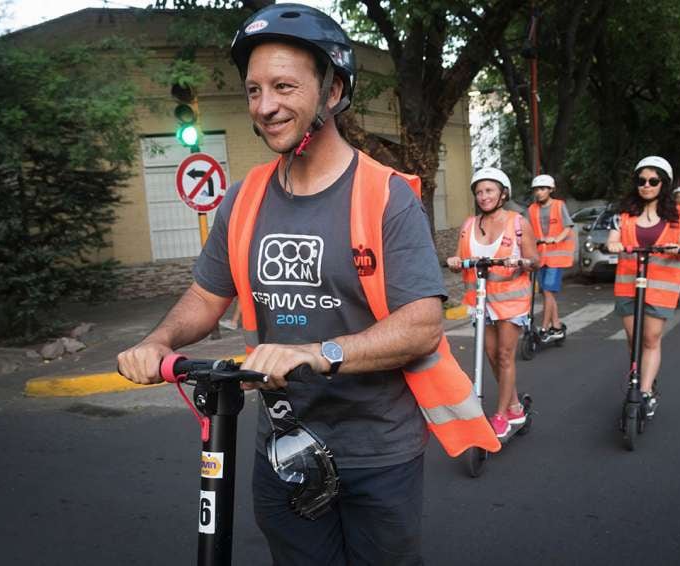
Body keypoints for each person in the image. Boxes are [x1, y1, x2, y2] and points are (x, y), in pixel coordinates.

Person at [117, 5, 498, 564]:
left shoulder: (386, 197)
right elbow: (204, 295)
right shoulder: (243, 200)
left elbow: (421, 326)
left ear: (333, 89)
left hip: (377, 452)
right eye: (253, 90)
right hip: (284, 447)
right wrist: (159, 342)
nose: (264, 106)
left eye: (283, 86)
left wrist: (317, 354)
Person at [447, 168, 539, 437]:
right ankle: (513, 405)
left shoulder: (518, 223)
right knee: (489, 355)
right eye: (479, 191)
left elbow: (535, 261)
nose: (483, 196)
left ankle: (500, 415)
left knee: (504, 355)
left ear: (502, 193)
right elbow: (459, 260)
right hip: (481, 300)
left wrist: (521, 261)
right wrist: (454, 262)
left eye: (489, 190)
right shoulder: (468, 225)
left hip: (512, 301)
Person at [607, 156, 680, 417]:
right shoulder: (624, 213)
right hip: (628, 284)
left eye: (653, 181)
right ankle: (642, 375)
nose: (646, 185)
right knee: (634, 340)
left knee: (651, 339)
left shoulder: (679, 216)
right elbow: (612, 239)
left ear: (663, 184)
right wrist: (614, 245)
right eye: (642, 181)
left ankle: (644, 391)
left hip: (661, 287)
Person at [524, 174, 575, 341]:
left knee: (547, 292)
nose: (539, 192)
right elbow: (527, 231)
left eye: (543, 189)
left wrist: (556, 239)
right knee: (548, 293)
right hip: (540, 257)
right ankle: (557, 326)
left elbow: (568, 227)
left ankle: (545, 328)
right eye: (537, 189)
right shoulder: (531, 209)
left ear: (551, 190)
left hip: (556, 257)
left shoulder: (559, 205)